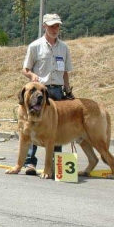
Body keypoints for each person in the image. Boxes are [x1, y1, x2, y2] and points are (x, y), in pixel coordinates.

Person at [21, 13, 73, 174]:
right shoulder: (35, 46)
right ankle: (30, 163)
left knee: (56, 128)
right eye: (51, 26)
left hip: (57, 91)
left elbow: (65, 71)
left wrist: (68, 89)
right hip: (39, 91)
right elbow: (25, 69)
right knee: (33, 126)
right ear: (44, 26)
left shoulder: (64, 48)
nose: (55, 29)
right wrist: (32, 76)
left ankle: (56, 163)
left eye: (57, 26)